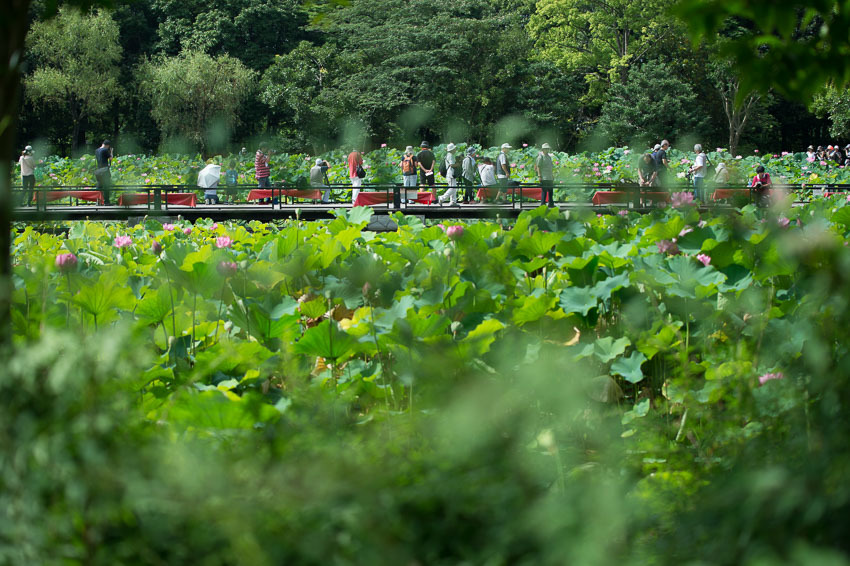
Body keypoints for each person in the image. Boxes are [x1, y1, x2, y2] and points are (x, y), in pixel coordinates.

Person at [535, 143, 555, 207]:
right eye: (546, 149)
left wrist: (552, 175)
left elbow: (550, 167)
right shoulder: (540, 157)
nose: (547, 150)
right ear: (543, 150)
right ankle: (543, 204)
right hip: (544, 176)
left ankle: (551, 203)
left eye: (548, 149)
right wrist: (539, 176)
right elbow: (538, 166)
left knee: (551, 191)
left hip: (549, 176)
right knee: (544, 191)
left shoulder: (549, 157)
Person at [94, 140, 113, 205]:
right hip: (105, 170)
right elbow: (110, 158)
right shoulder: (105, 150)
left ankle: (98, 201)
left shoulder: (96, 150)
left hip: (98, 170)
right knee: (106, 186)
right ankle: (106, 202)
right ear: (107, 145)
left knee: (99, 186)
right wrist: (111, 152)